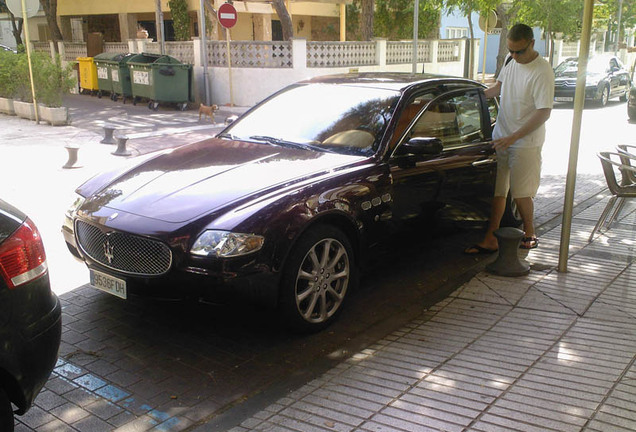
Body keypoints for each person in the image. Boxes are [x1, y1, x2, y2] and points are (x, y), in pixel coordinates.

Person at [465, 23, 554, 254]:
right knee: (499, 190)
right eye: (511, 51)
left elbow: (544, 112)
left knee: (521, 191)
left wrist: (514, 137)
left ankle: (530, 232)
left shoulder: (542, 71)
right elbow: (497, 88)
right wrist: (474, 95)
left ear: (532, 44)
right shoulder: (511, 62)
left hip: (525, 142)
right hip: (501, 137)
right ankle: (491, 237)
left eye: (519, 51)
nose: (514, 56)